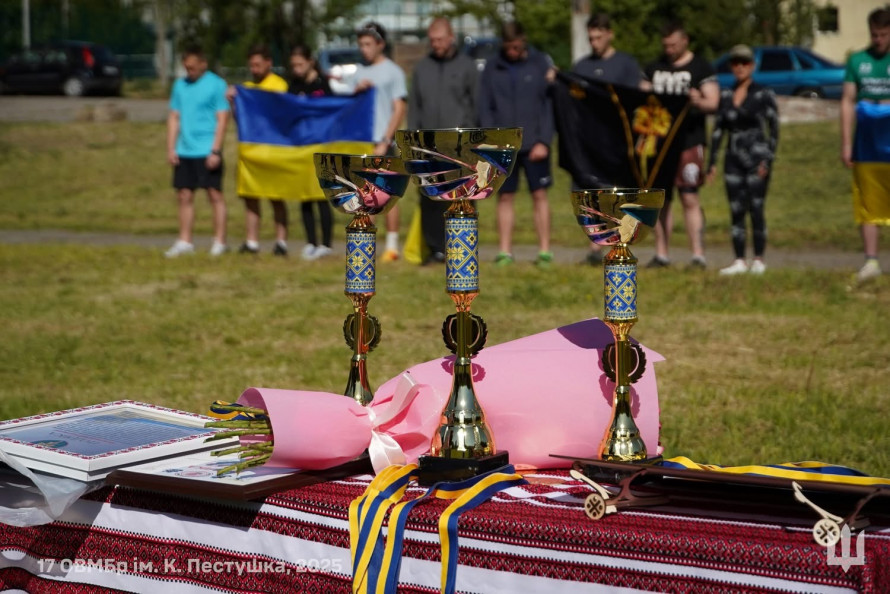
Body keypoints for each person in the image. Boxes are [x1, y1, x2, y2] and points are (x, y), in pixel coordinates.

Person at [478, 21, 555, 267]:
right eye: (508, 47)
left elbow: (548, 106)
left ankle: (544, 251)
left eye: (516, 46)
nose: (512, 51)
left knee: (539, 195)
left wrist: (544, 141)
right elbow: (485, 106)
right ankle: (505, 252)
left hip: (535, 144)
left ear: (524, 41)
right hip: (504, 145)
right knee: (505, 197)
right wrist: (492, 140)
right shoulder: (492, 67)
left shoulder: (540, 63)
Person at [572, 12, 646, 266]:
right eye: (591, 39)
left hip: (617, 142)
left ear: (609, 35)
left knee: (618, 195)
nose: (594, 43)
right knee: (593, 195)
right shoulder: (581, 67)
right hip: (590, 142)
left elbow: (634, 99)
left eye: (599, 38)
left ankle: (620, 242)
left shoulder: (626, 65)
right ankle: (595, 247)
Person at [645, 21, 719, 269]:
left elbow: (713, 103)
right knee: (660, 200)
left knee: (689, 197)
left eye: (673, 45)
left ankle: (697, 255)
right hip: (659, 145)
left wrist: (698, 100)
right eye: (665, 45)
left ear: (685, 41)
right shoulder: (654, 68)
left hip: (689, 142)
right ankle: (661, 254)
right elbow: (640, 96)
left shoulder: (701, 67)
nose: (669, 50)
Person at [408, 17, 479, 264]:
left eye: (440, 40)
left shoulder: (467, 66)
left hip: (460, 146)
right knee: (431, 198)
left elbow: (476, 105)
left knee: (462, 197)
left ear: (451, 38)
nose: (436, 44)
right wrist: (414, 140)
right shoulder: (422, 68)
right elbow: (415, 107)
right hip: (428, 146)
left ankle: (462, 247)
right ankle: (435, 249)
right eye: (432, 40)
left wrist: (472, 140)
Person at [706, 44, 779, 276]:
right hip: (733, 159)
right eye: (735, 63)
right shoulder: (726, 95)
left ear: (752, 66)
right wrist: (712, 162)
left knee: (756, 208)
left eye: (744, 63)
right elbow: (719, 130)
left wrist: (767, 160)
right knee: (736, 209)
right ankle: (739, 259)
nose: (740, 67)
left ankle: (758, 259)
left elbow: (774, 129)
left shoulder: (763, 94)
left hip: (757, 159)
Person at [164, 45, 229, 258]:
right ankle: (185, 241)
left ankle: (219, 241)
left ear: (203, 64)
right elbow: (174, 117)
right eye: (186, 68)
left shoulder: (217, 85)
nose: (189, 71)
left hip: (207, 149)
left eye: (192, 67)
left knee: (214, 194)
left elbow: (222, 119)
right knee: (184, 195)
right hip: (185, 149)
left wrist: (215, 150)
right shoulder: (179, 86)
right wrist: (171, 148)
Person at [841, 6, 890, 283]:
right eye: (874, 35)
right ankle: (871, 262)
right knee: (868, 205)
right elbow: (847, 101)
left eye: (883, 35)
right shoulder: (858, 61)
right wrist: (846, 143)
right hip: (867, 147)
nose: (878, 40)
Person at [227, 44, 290, 256]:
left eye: (257, 65)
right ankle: (252, 241)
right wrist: (233, 102)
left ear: (268, 63)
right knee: (250, 197)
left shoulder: (279, 85)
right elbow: (241, 120)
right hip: (251, 152)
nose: (254, 69)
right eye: (251, 65)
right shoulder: (246, 88)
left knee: (276, 196)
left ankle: (281, 242)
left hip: (273, 151)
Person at [354, 22, 408, 262]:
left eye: (368, 44)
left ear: (380, 44)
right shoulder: (358, 71)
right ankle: (367, 244)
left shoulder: (393, 72)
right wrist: (356, 91)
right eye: (361, 44)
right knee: (365, 195)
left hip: (384, 141)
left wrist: (386, 140)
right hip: (363, 141)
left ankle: (392, 246)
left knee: (387, 194)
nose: (363, 49)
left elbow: (399, 108)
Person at [288, 45, 335, 261]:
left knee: (322, 195)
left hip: (321, 147)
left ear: (310, 62)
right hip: (301, 147)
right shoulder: (293, 85)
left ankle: (326, 244)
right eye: (293, 66)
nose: (296, 69)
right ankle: (310, 242)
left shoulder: (323, 84)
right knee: (305, 195)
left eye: (300, 64)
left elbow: (335, 109)